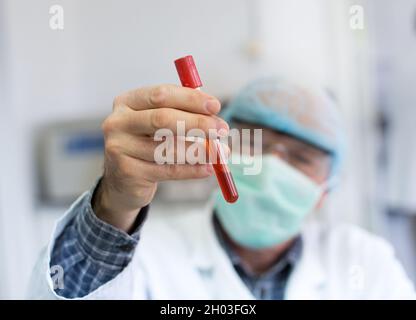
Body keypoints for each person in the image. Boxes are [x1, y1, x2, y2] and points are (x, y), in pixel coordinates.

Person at [28, 78, 415, 299]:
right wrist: (113, 205)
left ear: (326, 187)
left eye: (301, 157)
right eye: (255, 142)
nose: (272, 166)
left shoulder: (364, 261)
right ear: (217, 148)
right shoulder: (147, 256)